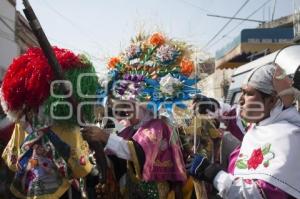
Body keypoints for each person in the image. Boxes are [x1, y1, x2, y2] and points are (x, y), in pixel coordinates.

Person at [186, 63, 300, 199]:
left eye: (248, 94)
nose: (240, 100)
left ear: (271, 100)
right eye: (241, 92)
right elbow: (235, 117)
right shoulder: (264, 122)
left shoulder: (287, 139)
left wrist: (214, 174)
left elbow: (261, 194)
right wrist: (213, 106)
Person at [0, 47, 99, 199]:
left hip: (27, 185)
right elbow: (80, 166)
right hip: (59, 191)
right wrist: (93, 172)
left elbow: (12, 159)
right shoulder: (64, 124)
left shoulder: (23, 119)